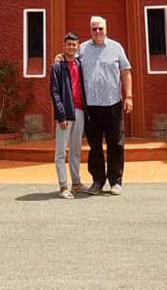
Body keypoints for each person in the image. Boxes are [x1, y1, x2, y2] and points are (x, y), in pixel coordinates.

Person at [80, 15, 132, 196]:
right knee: (95, 146)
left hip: (113, 104)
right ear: (90, 30)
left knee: (116, 144)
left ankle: (116, 181)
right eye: (94, 29)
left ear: (106, 29)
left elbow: (126, 72)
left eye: (100, 28)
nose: (97, 32)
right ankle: (97, 181)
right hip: (91, 107)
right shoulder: (83, 49)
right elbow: (71, 63)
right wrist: (59, 58)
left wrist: (129, 96)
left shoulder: (116, 48)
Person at [49, 31, 86, 199]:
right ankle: (63, 186)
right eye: (69, 44)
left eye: (74, 44)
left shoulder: (80, 64)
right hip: (65, 112)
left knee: (76, 150)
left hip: (79, 110)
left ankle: (76, 183)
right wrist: (60, 115)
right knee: (60, 152)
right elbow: (55, 92)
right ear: (64, 46)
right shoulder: (57, 66)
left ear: (77, 46)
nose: (72, 47)